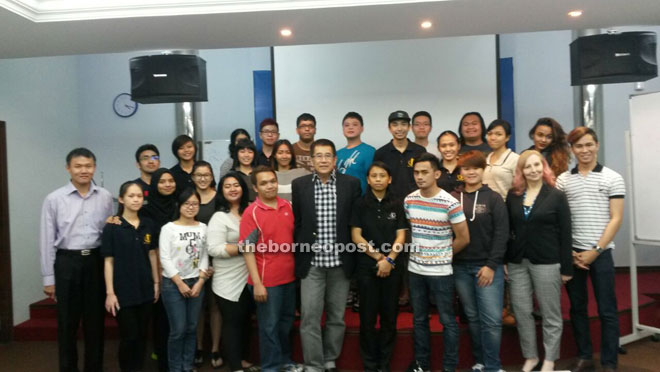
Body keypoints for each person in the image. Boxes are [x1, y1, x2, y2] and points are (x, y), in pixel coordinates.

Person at [556, 127, 625, 372]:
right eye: (578, 146)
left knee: (607, 308)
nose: (584, 150)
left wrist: (596, 249)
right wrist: (570, 252)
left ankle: (609, 361)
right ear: (572, 150)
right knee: (577, 308)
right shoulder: (563, 180)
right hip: (573, 254)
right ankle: (584, 356)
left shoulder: (612, 177)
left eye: (588, 145)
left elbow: (616, 218)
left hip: (601, 253)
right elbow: (561, 220)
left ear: (597, 145)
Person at [40, 148, 114, 372]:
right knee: (67, 324)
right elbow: (46, 239)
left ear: (94, 167)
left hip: (95, 262)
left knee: (95, 324)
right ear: (68, 168)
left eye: (88, 166)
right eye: (78, 166)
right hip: (66, 263)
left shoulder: (105, 196)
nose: (84, 170)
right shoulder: (54, 199)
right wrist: (48, 278)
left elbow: (109, 233)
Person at [292, 139, 362, 372]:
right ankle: (313, 364)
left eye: (327, 156)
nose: (323, 160)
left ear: (335, 160)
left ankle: (330, 358)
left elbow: (355, 222)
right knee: (310, 316)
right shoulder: (299, 185)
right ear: (311, 160)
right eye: (318, 156)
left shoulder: (351, 184)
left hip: (340, 262)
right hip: (311, 263)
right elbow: (299, 222)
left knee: (336, 316)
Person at [506, 150, 573, 372]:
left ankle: (550, 359)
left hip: (547, 262)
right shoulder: (513, 195)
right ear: (521, 171)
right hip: (517, 263)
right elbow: (509, 230)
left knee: (550, 313)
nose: (533, 170)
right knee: (522, 312)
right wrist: (506, 259)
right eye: (528, 166)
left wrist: (566, 268)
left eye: (537, 165)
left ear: (543, 167)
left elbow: (566, 233)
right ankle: (531, 357)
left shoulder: (556, 195)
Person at [403, 152, 470, 372]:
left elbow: (463, 238)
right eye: (416, 172)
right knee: (419, 320)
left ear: (437, 174)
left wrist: (442, 255)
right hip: (415, 270)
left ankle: (449, 367)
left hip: (441, 272)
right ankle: (422, 364)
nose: (419, 177)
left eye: (425, 172)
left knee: (447, 321)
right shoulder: (409, 200)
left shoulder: (449, 202)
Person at [450, 151, 508, 372]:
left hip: (487, 267)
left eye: (475, 167)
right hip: (460, 267)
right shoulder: (452, 197)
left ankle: (493, 366)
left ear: (483, 170)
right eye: (466, 168)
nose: (471, 172)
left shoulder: (493, 198)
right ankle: (481, 361)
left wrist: (491, 265)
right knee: (473, 318)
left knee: (492, 320)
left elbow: (502, 234)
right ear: (460, 172)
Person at [240, 166, 300, 372]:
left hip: (289, 278)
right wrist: (257, 283)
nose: (269, 186)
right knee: (269, 328)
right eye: (264, 183)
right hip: (266, 282)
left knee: (285, 324)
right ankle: (271, 367)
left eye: (272, 181)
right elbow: (247, 250)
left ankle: (285, 361)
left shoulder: (288, 206)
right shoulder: (251, 213)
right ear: (255, 188)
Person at [350, 161, 407, 372]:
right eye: (374, 176)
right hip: (367, 267)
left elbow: (402, 234)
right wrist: (378, 258)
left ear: (389, 179)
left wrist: (389, 260)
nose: (378, 179)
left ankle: (384, 364)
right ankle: (370, 364)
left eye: (382, 175)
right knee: (367, 319)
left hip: (392, 268)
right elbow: (356, 236)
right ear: (368, 179)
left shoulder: (398, 203)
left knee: (389, 318)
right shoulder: (359, 204)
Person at [102, 181, 160, 372]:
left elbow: (152, 254)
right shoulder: (112, 226)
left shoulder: (148, 224)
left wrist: (156, 282)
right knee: (129, 336)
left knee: (143, 335)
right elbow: (108, 260)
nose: (136, 200)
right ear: (121, 199)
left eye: (139, 196)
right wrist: (110, 292)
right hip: (122, 290)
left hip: (145, 288)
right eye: (131, 196)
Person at [207, 172, 258, 372]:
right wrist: (242, 247)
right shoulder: (219, 217)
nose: (232, 189)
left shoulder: (251, 211)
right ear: (221, 191)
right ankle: (235, 365)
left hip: (250, 275)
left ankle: (243, 359)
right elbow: (214, 248)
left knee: (246, 320)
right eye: (227, 186)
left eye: (236, 185)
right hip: (228, 279)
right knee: (233, 323)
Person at [159, 188, 212, 372]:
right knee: (178, 330)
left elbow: (205, 255)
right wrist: (179, 283)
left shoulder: (203, 228)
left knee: (192, 327)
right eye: (186, 204)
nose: (191, 207)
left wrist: (200, 281)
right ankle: (175, 368)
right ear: (179, 206)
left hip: (196, 282)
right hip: (173, 285)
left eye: (194, 204)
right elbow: (164, 258)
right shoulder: (168, 228)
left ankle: (187, 366)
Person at [139, 168, 177, 372]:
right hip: (154, 268)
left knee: (176, 318)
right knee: (160, 317)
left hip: (179, 269)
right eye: (162, 181)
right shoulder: (145, 210)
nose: (168, 184)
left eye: (171, 181)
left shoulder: (179, 206)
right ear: (154, 185)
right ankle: (162, 359)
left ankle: (176, 360)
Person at [191, 161, 223, 368]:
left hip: (217, 260)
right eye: (198, 175)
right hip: (192, 260)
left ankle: (215, 349)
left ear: (212, 177)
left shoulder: (219, 197)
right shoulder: (187, 197)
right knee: (197, 307)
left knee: (215, 306)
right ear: (193, 177)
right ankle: (198, 348)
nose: (203, 178)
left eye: (207, 175)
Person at [374, 110, 426, 200]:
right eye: (395, 125)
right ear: (389, 128)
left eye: (403, 124)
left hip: (416, 201)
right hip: (389, 203)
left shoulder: (420, 151)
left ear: (409, 127)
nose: (399, 128)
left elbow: (425, 177)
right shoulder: (381, 153)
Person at [336, 111, 376, 195]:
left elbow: (374, 179)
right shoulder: (337, 153)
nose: (350, 127)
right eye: (347, 125)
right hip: (341, 200)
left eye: (355, 124)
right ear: (343, 129)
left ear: (362, 128)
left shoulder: (369, 151)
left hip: (361, 200)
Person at [483, 119, 519, 200]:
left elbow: (519, 188)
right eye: (489, 134)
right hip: (486, 206)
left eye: (498, 134)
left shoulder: (515, 159)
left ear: (507, 137)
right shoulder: (485, 159)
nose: (492, 138)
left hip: (506, 206)